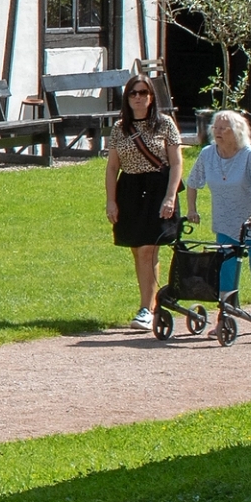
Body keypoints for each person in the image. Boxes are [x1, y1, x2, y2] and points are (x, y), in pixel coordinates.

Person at [103, 67, 184, 332]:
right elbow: (112, 167)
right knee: (138, 251)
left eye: (143, 93)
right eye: (133, 94)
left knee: (150, 249)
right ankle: (151, 305)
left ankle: (146, 308)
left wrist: (170, 196)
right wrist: (111, 201)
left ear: (151, 97)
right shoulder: (119, 129)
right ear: (127, 99)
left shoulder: (165, 125)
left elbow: (176, 163)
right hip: (130, 189)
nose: (138, 98)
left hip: (158, 188)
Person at [185, 108, 251, 316]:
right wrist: (192, 209)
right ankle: (226, 315)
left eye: (223, 129)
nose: (217, 132)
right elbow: (192, 183)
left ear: (236, 131)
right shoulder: (207, 154)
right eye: (215, 128)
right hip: (226, 223)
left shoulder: (249, 155)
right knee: (226, 271)